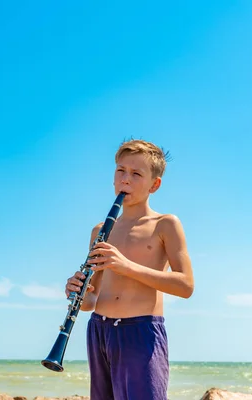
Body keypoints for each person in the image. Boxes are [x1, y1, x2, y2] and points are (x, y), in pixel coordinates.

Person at [64, 139, 195, 400]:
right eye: (120, 171)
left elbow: (186, 286)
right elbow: (91, 300)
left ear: (154, 185)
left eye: (136, 174)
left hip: (140, 331)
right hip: (99, 330)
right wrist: (77, 291)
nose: (126, 179)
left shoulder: (165, 224)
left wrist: (126, 266)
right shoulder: (100, 231)